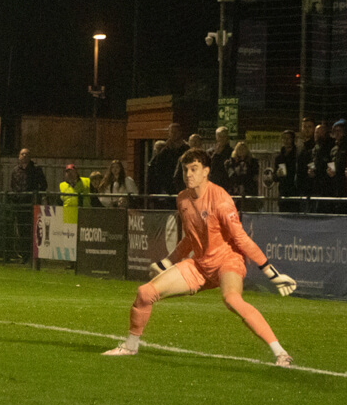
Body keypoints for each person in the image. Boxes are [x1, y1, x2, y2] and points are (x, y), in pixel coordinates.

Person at [102, 148, 296, 367]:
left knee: (232, 299)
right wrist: (167, 262)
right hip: (200, 265)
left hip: (227, 261)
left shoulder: (220, 200)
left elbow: (241, 239)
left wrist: (271, 273)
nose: (188, 175)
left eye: (194, 169)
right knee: (145, 293)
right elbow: (190, 239)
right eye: (185, 170)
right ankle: (130, 346)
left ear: (206, 171)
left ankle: (280, 353)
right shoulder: (183, 199)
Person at [225, 141, 260, 213]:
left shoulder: (253, 162)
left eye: (243, 149)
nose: (241, 151)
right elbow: (231, 176)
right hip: (235, 191)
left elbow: (253, 176)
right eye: (239, 149)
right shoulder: (230, 163)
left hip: (249, 191)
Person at [272, 130, 300, 212]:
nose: (286, 141)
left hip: (295, 191)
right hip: (283, 192)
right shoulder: (279, 158)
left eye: (288, 138)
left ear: (293, 140)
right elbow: (274, 177)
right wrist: (277, 175)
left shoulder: (298, 155)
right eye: (284, 138)